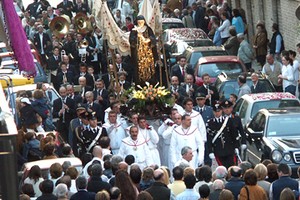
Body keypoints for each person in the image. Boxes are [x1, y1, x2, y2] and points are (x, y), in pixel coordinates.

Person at [206, 103, 239, 169]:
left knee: (231, 168)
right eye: (215, 111)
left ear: (221, 111)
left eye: (218, 111)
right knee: (221, 169)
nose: (217, 113)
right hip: (218, 150)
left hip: (229, 149)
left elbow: (234, 135)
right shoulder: (210, 122)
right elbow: (209, 138)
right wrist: (210, 151)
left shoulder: (228, 121)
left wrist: (236, 146)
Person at [129, 15, 159, 86]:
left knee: (149, 67)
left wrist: (148, 40)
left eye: (142, 22)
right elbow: (131, 41)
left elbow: (153, 38)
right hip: (139, 53)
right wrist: (136, 39)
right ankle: (140, 82)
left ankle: (151, 81)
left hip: (148, 53)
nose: (140, 23)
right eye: (139, 22)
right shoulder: (134, 30)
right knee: (139, 68)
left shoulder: (148, 29)